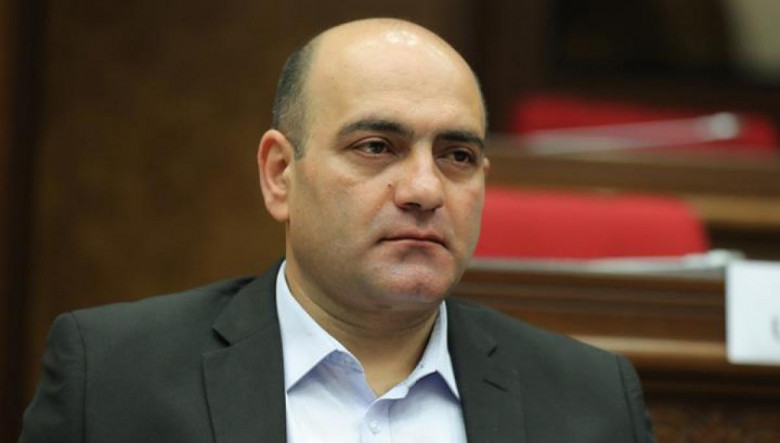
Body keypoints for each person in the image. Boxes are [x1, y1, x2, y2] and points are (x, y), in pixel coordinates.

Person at [20, 18, 655, 442]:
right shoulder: (114, 378)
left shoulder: (592, 404)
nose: (425, 189)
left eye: (457, 155)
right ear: (279, 175)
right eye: (376, 147)